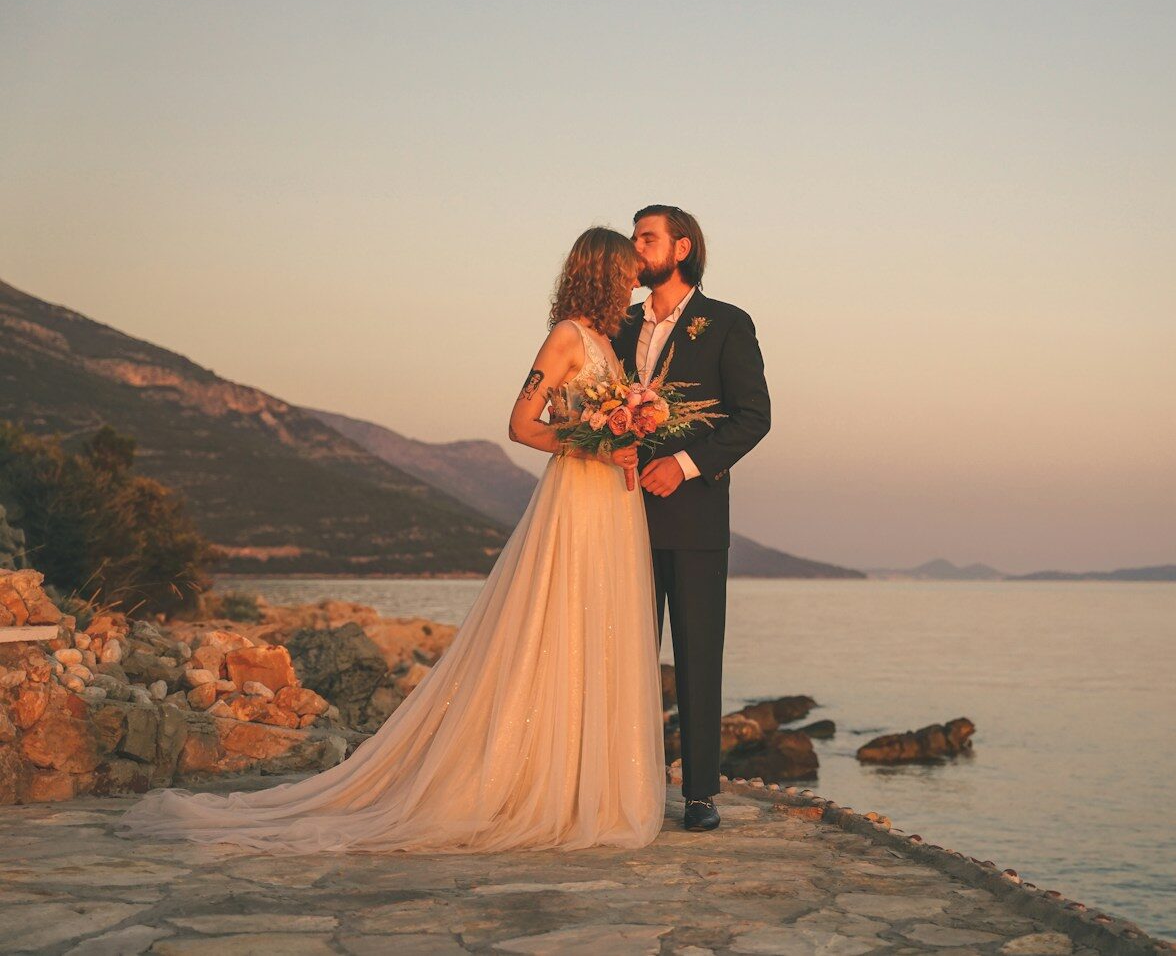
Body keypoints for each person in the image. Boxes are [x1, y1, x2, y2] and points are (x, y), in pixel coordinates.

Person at [115, 227, 665, 853]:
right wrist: (586, 440)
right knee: (556, 623)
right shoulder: (567, 336)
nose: (632, 283)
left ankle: (579, 781)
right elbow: (519, 424)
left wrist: (627, 434)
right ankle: (527, 778)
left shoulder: (606, 344)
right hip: (575, 500)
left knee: (598, 629)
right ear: (601, 273)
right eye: (625, 272)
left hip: (612, 507)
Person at [615, 204, 771, 832]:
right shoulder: (617, 325)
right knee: (623, 654)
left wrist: (683, 464)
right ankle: (624, 783)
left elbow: (752, 417)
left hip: (696, 517)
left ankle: (700, 793)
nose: (635, 248)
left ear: (681, 249)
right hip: (618, 512)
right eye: (633, 238)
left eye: (646, 238)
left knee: (698, 655)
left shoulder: (728, 323)